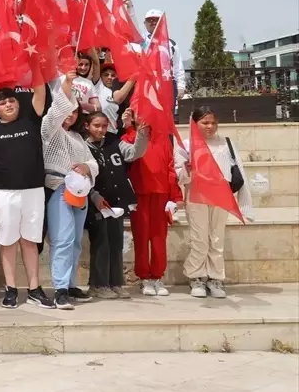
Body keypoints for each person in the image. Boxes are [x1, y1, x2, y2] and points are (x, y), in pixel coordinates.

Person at [0, 84, 53, 310]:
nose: (8, 105)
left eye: (11, 101)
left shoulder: (32, 122)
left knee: (30, 241)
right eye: (2, 103)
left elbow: (40, 92)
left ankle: (33, 289)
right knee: (8, 242)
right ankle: (10, 289)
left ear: (18, 103)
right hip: (4, 195)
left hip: (33, 191)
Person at [177, 107, 254, 299]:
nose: (210, 126)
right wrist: (187, 170)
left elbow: (239, 171)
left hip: (221, 197)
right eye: (205, 123)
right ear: (195, 124)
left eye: (213, 122)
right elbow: (179, 176)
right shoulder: (186, 145)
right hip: (197, 197)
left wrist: (245, 205)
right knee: (200, 239)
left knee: (217, 238)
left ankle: (215, 278)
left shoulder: (226, 143)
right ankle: (196, 277)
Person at [42, 75, 99, 310]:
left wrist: (87, 167)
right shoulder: (49, 131)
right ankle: (60, 289)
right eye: (69, 109)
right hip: (58, 188)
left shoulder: (78, 137)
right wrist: (66, 84)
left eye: (75, 112)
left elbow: (92, 162)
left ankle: (72, 284)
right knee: (62, 240)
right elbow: (55, 113)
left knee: (75, 241)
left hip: (81, 191)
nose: (71, 115)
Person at [83, 108, 148, 299]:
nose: (101, 130)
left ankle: (116, 282)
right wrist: (94, 196)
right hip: (97, 202)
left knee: (115, 242)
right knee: (101, 242)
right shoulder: (82, 146)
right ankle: (98, 284)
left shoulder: (113, 141)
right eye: (96, 126)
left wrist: (142, 132)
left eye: (104, 126)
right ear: (87, 126)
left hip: (117, 201)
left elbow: (134, 153)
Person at [125, 117, 183, 296]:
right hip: (139, 194)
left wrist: (175, 196)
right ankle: (144, 277)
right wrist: (127, 127)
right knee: (141, 237)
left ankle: (157, 276)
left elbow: (171, 168)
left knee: (159, 238)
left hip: (161, 194)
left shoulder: (163, 139)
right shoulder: (128, 138)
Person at [96, 64, 135, 129]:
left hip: (116, 130)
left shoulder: (124, 92)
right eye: (106, 75)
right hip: (98, 128)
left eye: (113, 75)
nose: (109, 77)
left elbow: (118, 99)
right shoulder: (97, 86)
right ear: (101, 77)